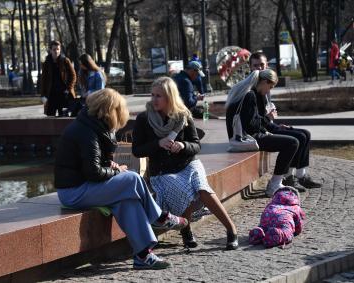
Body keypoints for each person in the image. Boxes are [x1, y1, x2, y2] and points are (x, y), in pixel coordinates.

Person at [55, 88, 188, 270]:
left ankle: (143, 255)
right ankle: (159, 217)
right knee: (132, 178)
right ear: (110, 110)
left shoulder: (92, 125)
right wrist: (117, 172)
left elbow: (92, 165)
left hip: (84, 185)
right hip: (73, 192)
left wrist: (110, 166)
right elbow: (93, 172)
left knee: (127, 199)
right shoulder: (86, 131)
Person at [132, 77, 238, 250]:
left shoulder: (183, 115)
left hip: (188, 163)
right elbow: (137, 150)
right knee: (183, 187)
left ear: (170, 97)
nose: (154, 99)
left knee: (202, 188)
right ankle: (186, 229)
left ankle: (231, 230)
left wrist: (182, 145)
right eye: (153, 95)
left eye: (159, 96)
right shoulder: (144, 119)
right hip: (162, 171)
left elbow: (196, 145)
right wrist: (157, 144)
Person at [226, 70, 321, 197]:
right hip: (247, 138)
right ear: (264, 82)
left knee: (299, 138)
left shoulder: (250, 93)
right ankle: (275, 184)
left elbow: (253, 123)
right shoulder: (250, 95)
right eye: (270, 87)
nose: (269, 90)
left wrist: (270, 123)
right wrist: (269, 118)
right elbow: (251, 126)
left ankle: (281, 180)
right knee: (292, 143)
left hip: (248, 135)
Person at [249, 52, 321, 192]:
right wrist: (270, 121)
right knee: (297, 138)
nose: (259, 68)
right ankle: (289, 177)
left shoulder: (263, 84)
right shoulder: (253, 90)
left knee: (305, 133)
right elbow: (254, 121)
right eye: (255, 66)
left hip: (267, 126)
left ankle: (301, 175)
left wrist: (276, 125)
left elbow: (262, 116)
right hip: (262, 130)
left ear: (267, 65)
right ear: (250, 67)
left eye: (261, 65)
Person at [40, 40, 77, 117]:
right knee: (50, 115)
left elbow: (73, 75)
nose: (56, 51)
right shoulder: (46, 63)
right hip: (51, 93)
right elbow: (43, 80)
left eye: (58, 49)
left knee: (64, 116)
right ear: (50, 50)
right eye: (54, 49)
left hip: (64, 93)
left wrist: (69, 88)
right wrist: (43, 94)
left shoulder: (65, 61)